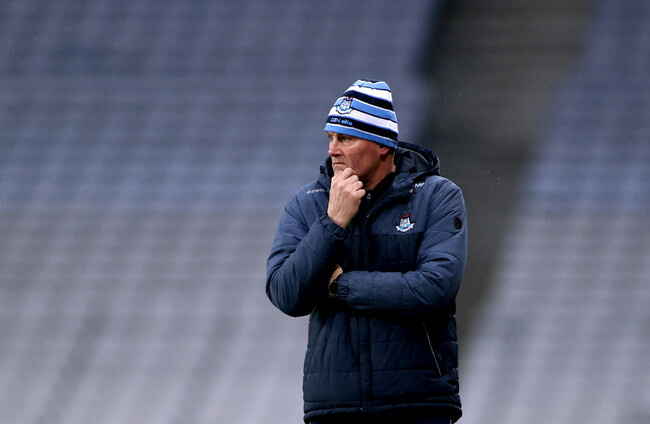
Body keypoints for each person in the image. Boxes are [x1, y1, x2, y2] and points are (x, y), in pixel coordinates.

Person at [266, 79, 467, 424]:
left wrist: (340, 286)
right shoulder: (308, 204)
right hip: (335, 409)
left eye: (346, 138)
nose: (333, 150)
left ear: (383, 146)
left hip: (418, 406)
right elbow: (286, 294)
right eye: (330, 138)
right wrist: (333, 222)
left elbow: (434, 288)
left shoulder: (437, 196)